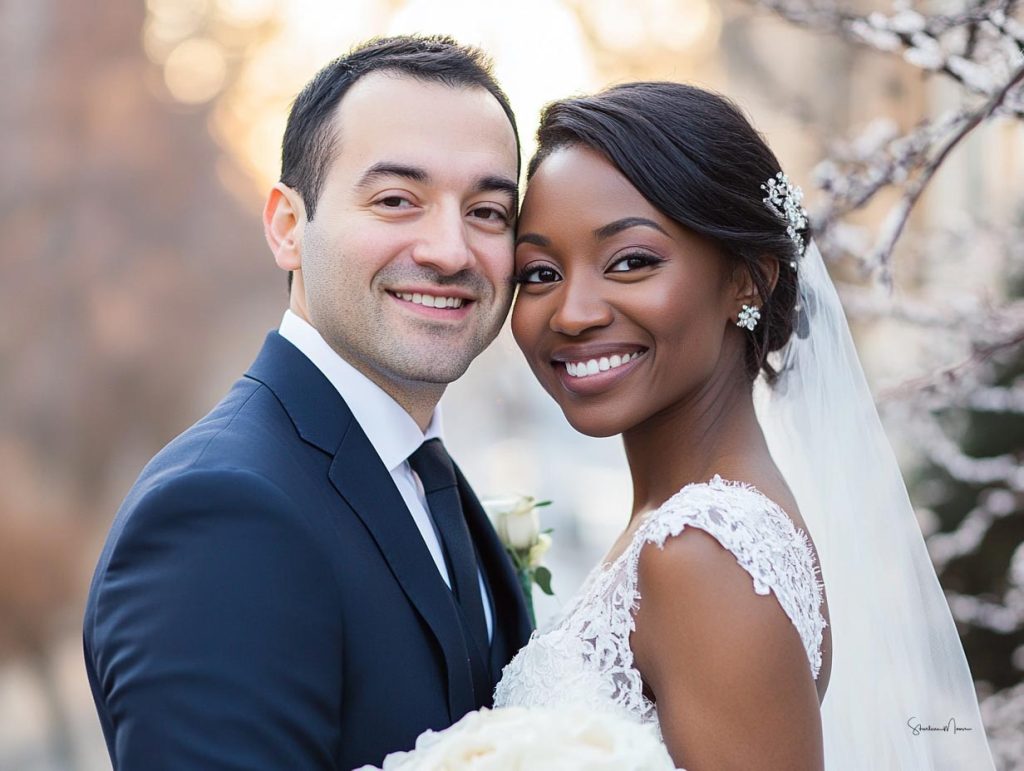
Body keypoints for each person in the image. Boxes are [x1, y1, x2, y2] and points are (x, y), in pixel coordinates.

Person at [493, 82, 995, 769]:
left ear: (748, 282)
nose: (572, 312)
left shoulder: (702, 553)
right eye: (540, 271)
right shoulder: (692, 524)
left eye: (631, 261)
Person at [82, 35, 531, 770]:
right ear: (288, 226)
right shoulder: (221, 513)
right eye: (396, 201)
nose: (451, 250)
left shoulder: (428, 479)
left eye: (487, 211)